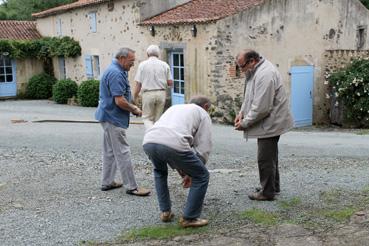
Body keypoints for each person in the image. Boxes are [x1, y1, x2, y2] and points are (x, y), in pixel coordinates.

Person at [143, 96, 212, 228]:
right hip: (173, 142)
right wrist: (192, 173)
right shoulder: (202, 113)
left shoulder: (175, 108)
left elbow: (177, 154)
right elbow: (203, 147)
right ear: (206, 107)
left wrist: (187, 171)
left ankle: (165, 212)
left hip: (149, 140)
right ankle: (189, 218)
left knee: (160, 172)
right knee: (202, 175)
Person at [234, 49, 293, 201]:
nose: (241, 70)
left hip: (271, 122)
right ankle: (273, 186)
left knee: (265, 158)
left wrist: (245, 123)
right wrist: (241, 113)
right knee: (271, 156)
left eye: (242, 66)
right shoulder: (254, 72)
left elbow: (262, 107)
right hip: (269, 121)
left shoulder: (265, 74)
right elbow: (249, 97)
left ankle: (267, 193)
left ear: (252, 61)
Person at [95, 47, 150, 196]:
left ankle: (107, 182)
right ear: (122, 58)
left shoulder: (116, 70)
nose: (132, 64)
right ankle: (132, 187)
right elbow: (119, 101)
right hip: (113, 118)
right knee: (123, 152)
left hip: (108, 116)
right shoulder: (115, 73)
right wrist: (134, 109)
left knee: (110, 151)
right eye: (131, 61)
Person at [133, 44, 173, 130]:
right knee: (158, 119)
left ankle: (151, 135)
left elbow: (138, 84)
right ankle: (156, 136)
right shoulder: (164, 65)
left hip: (148, 94)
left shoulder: (142, 65)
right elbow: (170, 83)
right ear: (158, 54)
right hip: (161, 93)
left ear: (147, 54)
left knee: (147, 118)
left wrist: (135, 97)